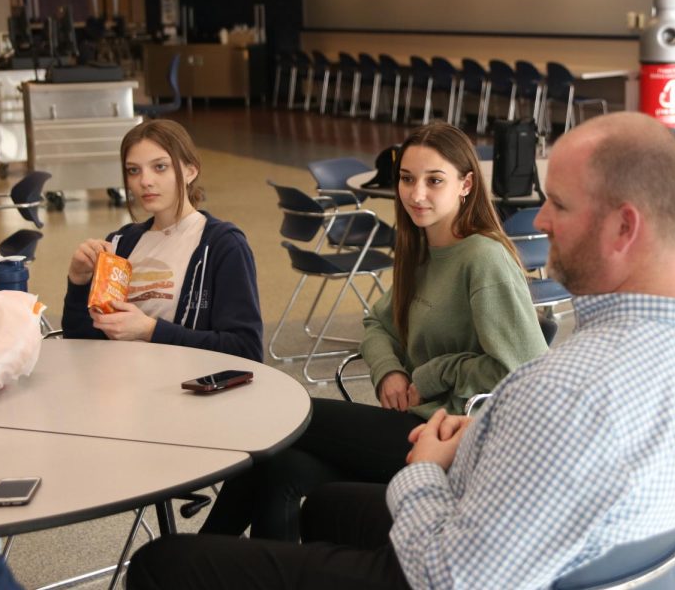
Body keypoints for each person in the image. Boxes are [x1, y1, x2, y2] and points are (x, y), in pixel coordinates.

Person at [127, 112, 675, 590]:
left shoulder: (561, 386)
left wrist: (427, 464)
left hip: (447, 555)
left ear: (624, 226)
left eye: (558, 204)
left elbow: (449, 576)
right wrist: (457, 434)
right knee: (308, 488)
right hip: (524, 535)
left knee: (163, 561)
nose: (543, 222)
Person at [198, 121, 547, 540]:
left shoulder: (483, 260)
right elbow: (377, 322)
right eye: (407, 179)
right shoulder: (422, 250)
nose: (417, 194)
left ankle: (187, 566)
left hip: (449, 438)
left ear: (466, 184)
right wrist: (388, 369)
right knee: (280, 468)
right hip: (412, 420)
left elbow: (523, 373)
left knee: (288, 417)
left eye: (435, 180)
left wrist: (432, 374)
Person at [61, 119, 263, 362]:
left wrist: (149, 330)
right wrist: (79, 282)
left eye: (160, 167)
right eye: (133, 170)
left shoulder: (223, 245)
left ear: (191, 170)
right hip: (122, 387)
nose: (145, 181)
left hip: (187, 392)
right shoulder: (120, 244)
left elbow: (246, 350)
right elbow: (79, 341)